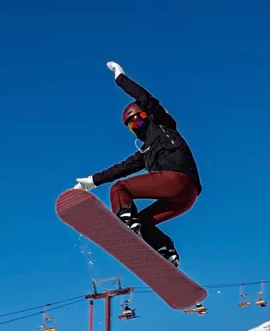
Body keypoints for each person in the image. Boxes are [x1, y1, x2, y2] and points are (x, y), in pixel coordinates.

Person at [73, 61, 202, 266]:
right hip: (187, 196)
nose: (136, 128)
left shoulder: (162, 125)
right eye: (131, 126)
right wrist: (92, 181)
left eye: (138, 121)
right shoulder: (145, 151)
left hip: (176, 179)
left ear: (146, 116)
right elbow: (122, 167)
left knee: (120, 188)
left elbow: (145, 98)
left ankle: (124, 222)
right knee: (143, 222)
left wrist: (120, 79)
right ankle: (166, 252)